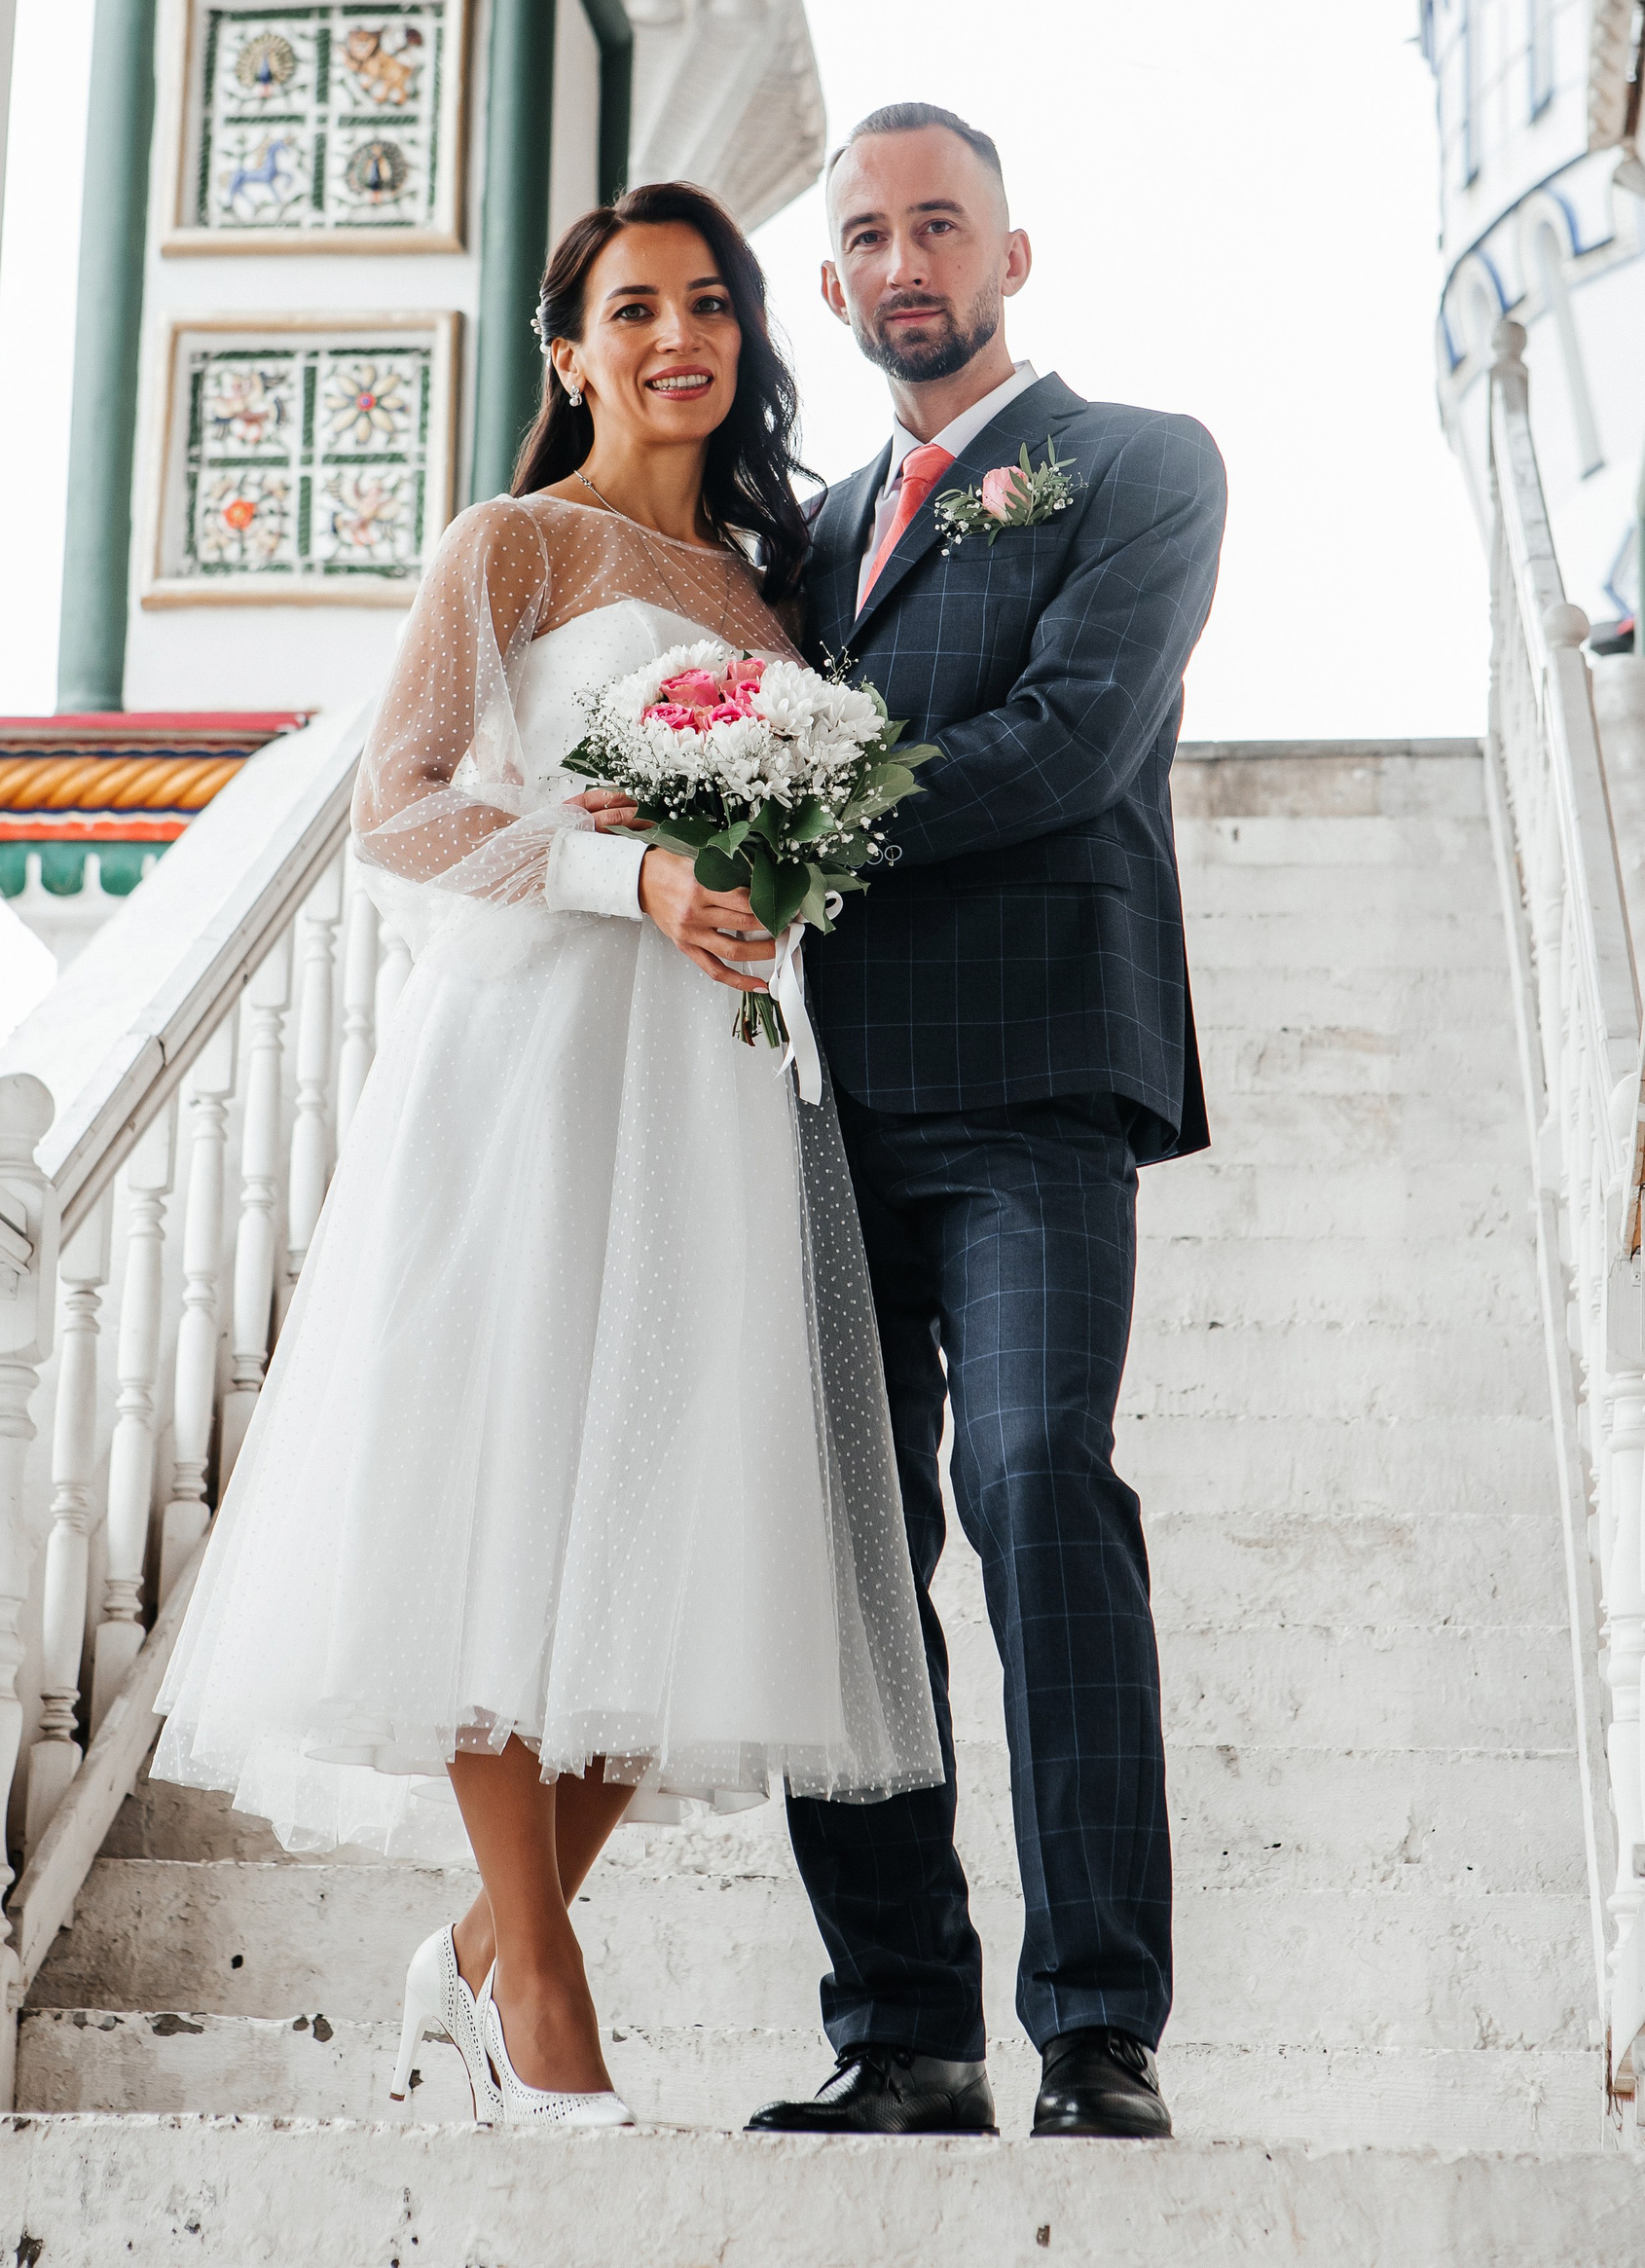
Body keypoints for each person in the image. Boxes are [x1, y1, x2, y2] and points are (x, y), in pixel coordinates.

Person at [153, 181, 941, 2132]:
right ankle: (547, 1994)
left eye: (712, 303)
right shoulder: (509, 545)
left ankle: (486, 1949)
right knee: (505, 1496)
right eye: (637, 308)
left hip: (714, 1089)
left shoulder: (773, 601)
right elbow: (399, 807)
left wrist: (763, 887)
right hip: (533, 1061)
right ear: (571, 352)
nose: (682, 336)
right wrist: (631, 875)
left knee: (674, 1516)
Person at [746, 103, 1226, 2144]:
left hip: (1032, 1081)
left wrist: (783, 816)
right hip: (808, 1105)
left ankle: (1099, 2027)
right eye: (867, 236)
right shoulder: (801, 538)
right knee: (842, 1558)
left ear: (1011, 255)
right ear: (834, 283)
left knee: (1036, 1482)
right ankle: (904, 2033)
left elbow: (1069, 742)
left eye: (941, 224)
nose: (906, 262)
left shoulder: (1141, 465)